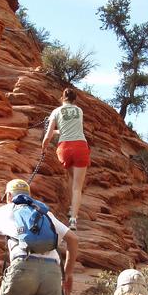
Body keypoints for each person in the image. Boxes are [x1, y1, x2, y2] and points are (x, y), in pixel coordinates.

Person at [41, 87, 90, 231]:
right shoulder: (79, 111)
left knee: (71, 176)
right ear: (75, 100)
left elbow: (49, 135)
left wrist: (44, 146)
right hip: (80, 146)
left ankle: (70, 207)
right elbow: (73, 128)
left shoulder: (56, 112)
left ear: (62, 98)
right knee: (77, 187)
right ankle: (73, 220)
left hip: (65, 148)